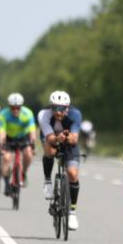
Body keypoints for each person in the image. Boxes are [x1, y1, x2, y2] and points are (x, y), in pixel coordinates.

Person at [38, 90, 83, 230]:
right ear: (50, 107)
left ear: (67, 108)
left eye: (62, 108)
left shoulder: (75, 114)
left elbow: (74, 139)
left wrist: (66, 138)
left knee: (73, 174)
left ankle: (72, 212)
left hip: (69, 143)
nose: (58, 112)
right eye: (55, 108)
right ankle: (47, 181)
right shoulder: (44, 115)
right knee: (50, 151)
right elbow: (50, 138)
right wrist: (58, 138)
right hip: (51, 139)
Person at [0, 93, 37, 195]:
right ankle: (7, 184)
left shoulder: (28, 113)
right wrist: (1, 144)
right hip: (9, 138)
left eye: (18, 108)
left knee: (28, 154)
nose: (15, 110)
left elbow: (32, 130)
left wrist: (32, 143)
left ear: (21, 106)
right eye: (13, 108)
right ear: (9, 107)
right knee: (6, 158)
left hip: (23, 137)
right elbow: (2, 132)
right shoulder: (3, 114)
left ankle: (23, 173)